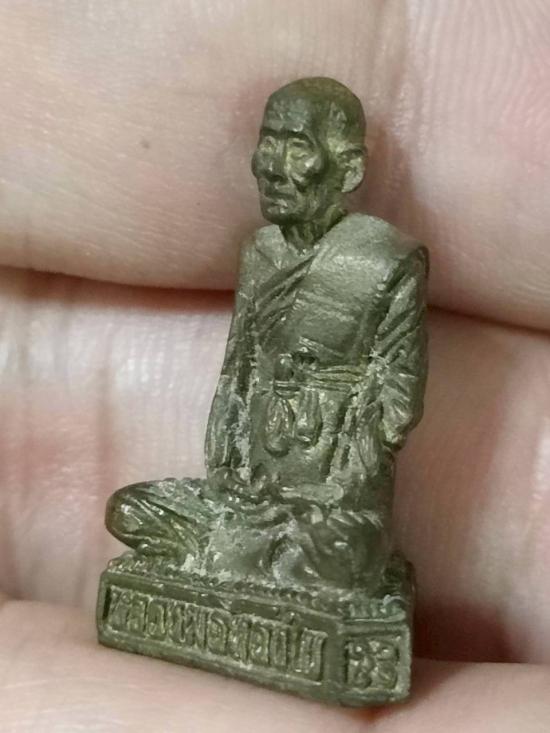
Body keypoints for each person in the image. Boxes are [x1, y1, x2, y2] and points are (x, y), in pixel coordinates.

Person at [104, 77, 428, 592]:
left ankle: (253, 548)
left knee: (342, 558)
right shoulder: (260, 253)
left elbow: (397, 400)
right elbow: (238, 372)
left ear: (349, 168)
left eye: (297, 147)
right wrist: (228, 476)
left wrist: (338, 486)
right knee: (128, 510)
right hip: (249, 491)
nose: (272, 167)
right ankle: (251, 545)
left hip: (331, 504)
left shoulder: (386, 262)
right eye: (268, 143)